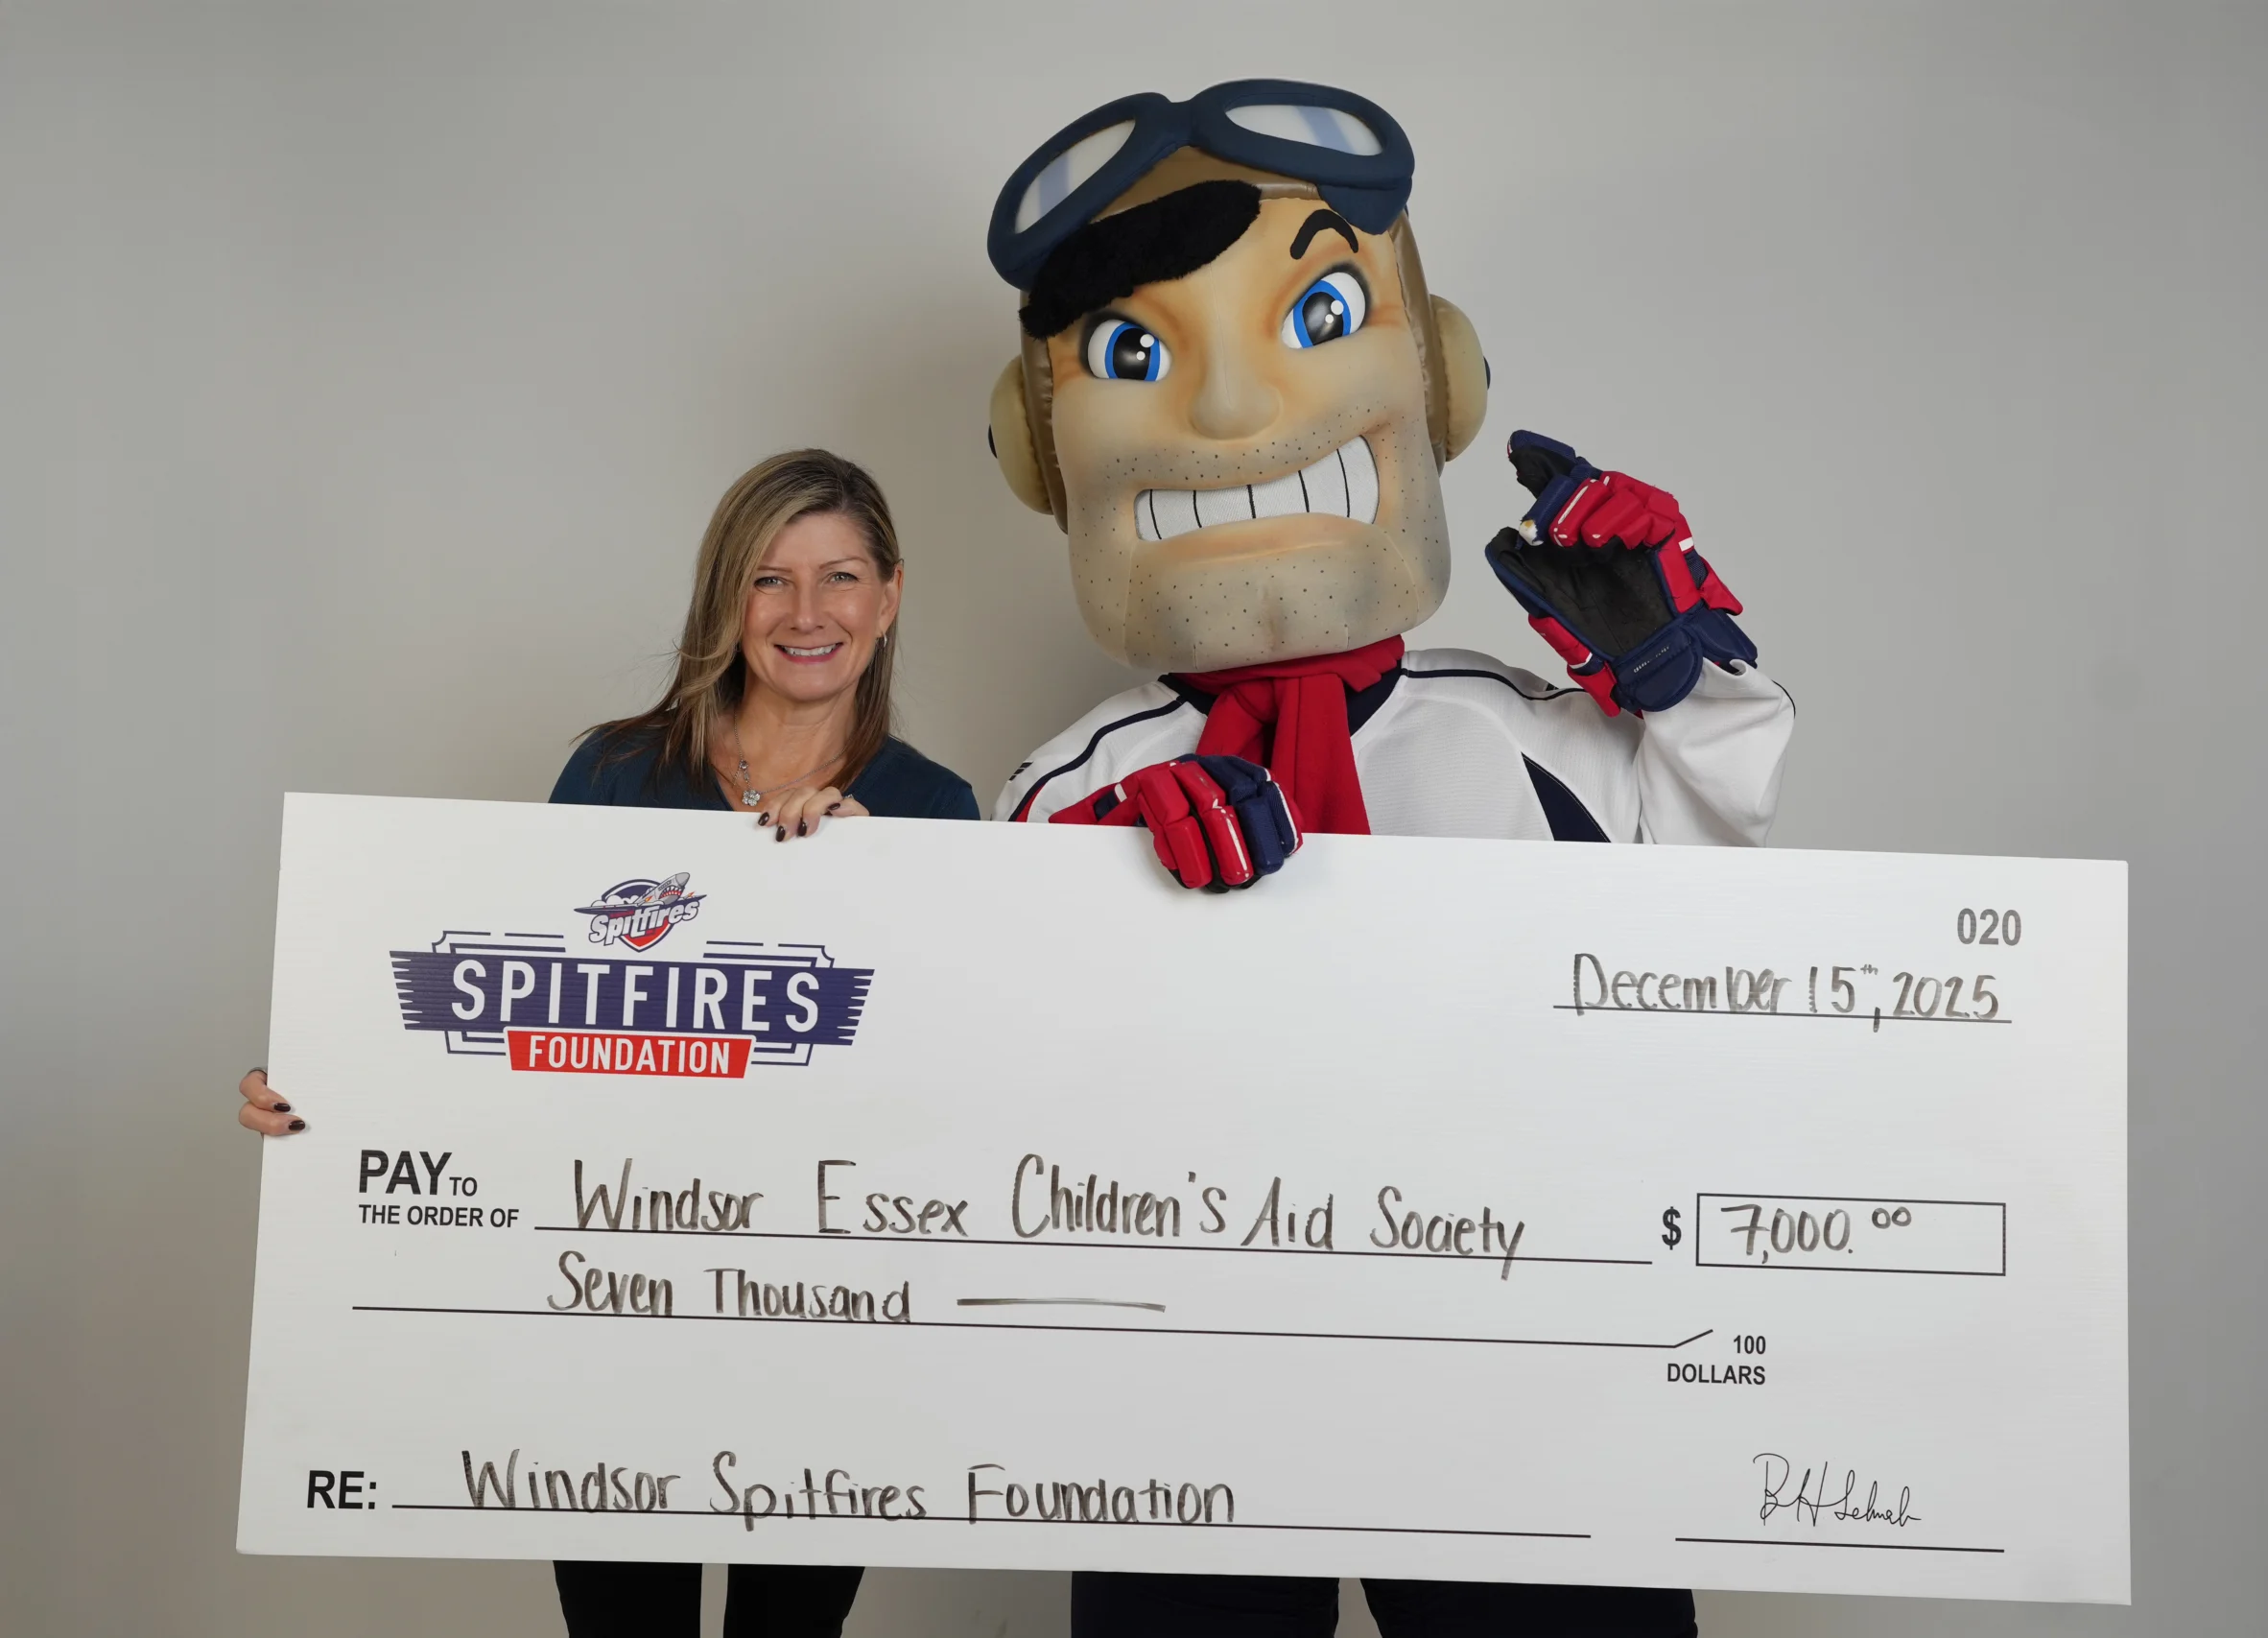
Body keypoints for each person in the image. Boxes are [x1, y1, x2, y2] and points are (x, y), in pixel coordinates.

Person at [980, 83, 1792, 1634]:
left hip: (1513, 1364)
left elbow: (1713, 897)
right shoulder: (1075, 787)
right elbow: (985, 1102)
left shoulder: (1525, 732)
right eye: (1136, 355)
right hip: (1200, 1387)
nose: (1234, 412)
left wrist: (1687, 679)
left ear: (1440, 376)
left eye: (1324, 312)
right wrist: (1083, 904)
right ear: (1039, 447)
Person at [236, 447, 977, 1638]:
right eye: (769, 578)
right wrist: (331, 1091)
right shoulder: (618, 773)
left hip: (821, 1320)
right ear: (725, 598)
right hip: (608, 1306)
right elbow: (507, 1026)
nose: (806, 612)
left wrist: (870, 877)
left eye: (839, 577)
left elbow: (953, 1083)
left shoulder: (935, 810)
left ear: (888, 597)